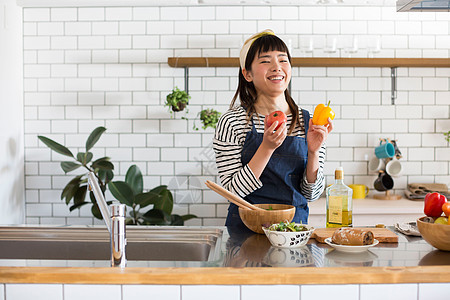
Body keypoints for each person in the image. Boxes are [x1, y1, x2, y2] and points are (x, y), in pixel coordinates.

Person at [213, 29, 333, 227]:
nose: (277, 67)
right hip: (246, 233)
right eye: (265, 60)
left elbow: (311, 194)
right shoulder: (232, 121)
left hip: (293, 231)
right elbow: (233, 193)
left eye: (283, 60)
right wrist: (266, 148)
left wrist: (313, 152)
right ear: (247, 74)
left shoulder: (309, 122)